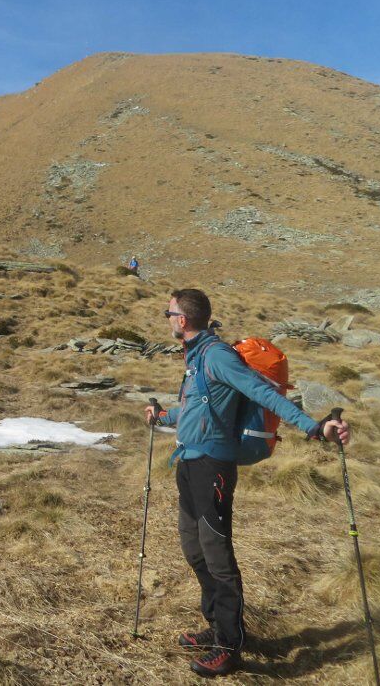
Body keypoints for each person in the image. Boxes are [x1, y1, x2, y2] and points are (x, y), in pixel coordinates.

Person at [144, 288, 351, 678]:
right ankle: (216, 626)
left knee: (217, 557)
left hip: (212, 467)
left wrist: (315, 427)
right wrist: (162, 416)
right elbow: (196, 409)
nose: (168, 318)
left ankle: (230, 646)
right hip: (189, 462)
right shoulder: (196, 357)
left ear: (182, 320)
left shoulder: (217, 356)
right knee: (195, 550)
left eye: (168, 312)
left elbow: (262, 392)